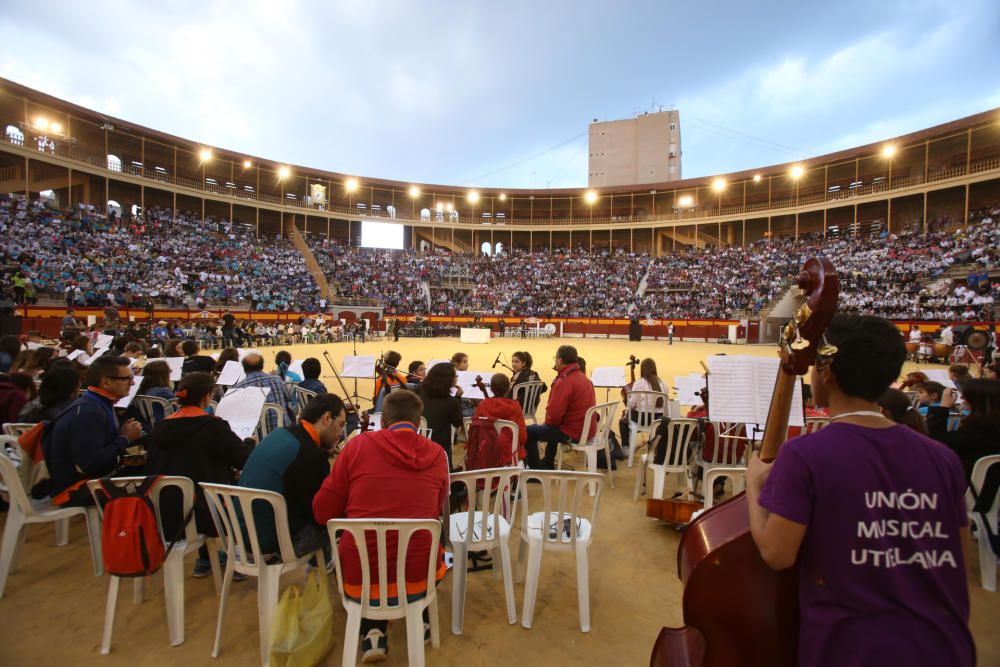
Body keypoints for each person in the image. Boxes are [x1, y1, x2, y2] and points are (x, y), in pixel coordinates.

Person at [747, 315, 974, 667]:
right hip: (942, 645)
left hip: (849, 647)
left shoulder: (805, 454)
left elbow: (777, 554)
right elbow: (956, 558)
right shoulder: (943, 459)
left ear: (827, 372)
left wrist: (752, 483)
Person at [312, 390, 448, 662]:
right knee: (422, 542)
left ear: (383, 421)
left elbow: (322, 511)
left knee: (366, 550)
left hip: (358, 575)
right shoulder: (438, 453)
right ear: (419, 422)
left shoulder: (357, 446)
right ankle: (418, 618)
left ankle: (372, 628)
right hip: (418, 571)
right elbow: (436, 509)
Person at [145, 372, 253, 577]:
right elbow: (242, 459)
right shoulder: (213, 427)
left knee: (195, 481)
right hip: (208, 515)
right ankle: (239, 555)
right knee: (234, 488)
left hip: (165, 515)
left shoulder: (159, 429)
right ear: (206, 397)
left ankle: (205, 560)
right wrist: (248, 444)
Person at [239, 393, 346, 558]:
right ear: (326, 418)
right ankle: (323, 564)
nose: (340, 433)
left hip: (241, 529)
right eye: (340, 424)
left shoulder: (280, 434)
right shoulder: (310, 455)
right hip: (268, 540)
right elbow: (319, 514)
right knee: (339, 522)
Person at [44, 356, 143, 506]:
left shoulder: (94, 402)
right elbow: (92, 464)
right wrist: (124, 439)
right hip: (74, 488)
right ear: (106, 382)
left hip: (82, 478)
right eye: (127, 379)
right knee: (155, 487)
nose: (133, 383)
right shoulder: (89, 412)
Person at [524, 345, 595, 470]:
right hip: (586, 429)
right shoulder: (584, 378)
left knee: (528, 431)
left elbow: (554, 416)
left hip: (573, 432)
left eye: (555, 358)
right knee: (553, 427)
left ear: (560, 360)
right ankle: (548, 462)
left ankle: (537, 470)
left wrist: (547, 424)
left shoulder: (564, 381)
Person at [926, 378, 1000, 478]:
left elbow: (938, 442)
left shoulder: (980, 427)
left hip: (971, 485)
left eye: (966, 396)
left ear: (977, 400)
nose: (961, 397)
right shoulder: (990, 423)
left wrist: (943, 407)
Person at [471, 374, 528, 466]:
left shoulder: (483, 405)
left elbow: (476, 432)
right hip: (509, 454)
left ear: (491, 389)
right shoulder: (515, 406)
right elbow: (522, 437)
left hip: (487, 453)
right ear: (508, 388)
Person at [231, 352, 295, 431]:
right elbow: (289, 398)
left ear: (244, 368)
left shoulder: (239, 388)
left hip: (258, 436)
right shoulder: (277, 380)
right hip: (284, 430)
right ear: (262, 366)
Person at [415, 362, 463, 467]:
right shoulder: (451, 401)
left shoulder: (417, 391)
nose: (456, 378)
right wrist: (458, 398)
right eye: (455, 376)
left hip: (416, 441)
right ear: (448, 379)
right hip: (439, 446)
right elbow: (458, 422)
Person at [619, 357, 668, 449]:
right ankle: (651, 442)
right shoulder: (663, 384)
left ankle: (625, 447)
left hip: (641, 419)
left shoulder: (639, 383)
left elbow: (631, 404)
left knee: (623, 422)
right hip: (658, 420)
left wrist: (627, 411)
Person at [136, 360, 176, 426]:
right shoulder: (164, 393)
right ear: (163, 375)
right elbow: (175, 411)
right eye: (169, 371)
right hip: (166, 425)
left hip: (149, 425)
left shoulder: (142, 390)